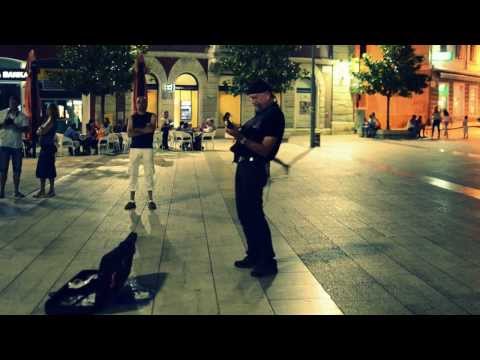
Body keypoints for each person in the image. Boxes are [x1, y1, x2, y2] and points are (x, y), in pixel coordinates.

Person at [226, 80, 285, 278]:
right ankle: (253, 254)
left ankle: (267, 260)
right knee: (244, 213)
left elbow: (265, 149)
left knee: (254, 214)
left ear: (267, 94)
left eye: (255, 97)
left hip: (255, 168)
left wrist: (240, 137)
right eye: (250, 98)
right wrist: (239, 131)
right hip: (244, 166)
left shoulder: (274, 116)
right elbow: (252, 136)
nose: (252, 101)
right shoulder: (260, 115)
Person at [125, 96, 157, 211]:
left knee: (149, 173)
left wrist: (137, 130)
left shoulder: (152, 116)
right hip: (134, 149)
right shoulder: (132, 117)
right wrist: (144, 130)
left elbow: (151, 130)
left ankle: (151, 200)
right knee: (133, 173)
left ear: (147, 103)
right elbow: (129, 134)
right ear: (136, 104)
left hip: (147, 149)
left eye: (144, 102)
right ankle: (131, 200)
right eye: (139, 102)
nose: (141, 104)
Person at [0, 95, 29, 199]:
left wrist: (15, 125)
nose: (11, 104)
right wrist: (4, 123)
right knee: (3, 170)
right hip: (4, 144)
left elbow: (26, 130)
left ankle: (16, 191)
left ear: (17, 103)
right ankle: (1, 191)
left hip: (17, 146)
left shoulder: (22, 116)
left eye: (14, 102)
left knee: (17, 169)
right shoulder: (2, 113)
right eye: (10, 102)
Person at [33, 103, 58, 198]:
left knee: (49, 168)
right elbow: (39, 131)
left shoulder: (52, 121)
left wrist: (40, 129)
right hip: (45, 147)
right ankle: (42, 190)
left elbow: (42, 131)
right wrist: (40, 129)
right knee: (42, 169)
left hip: (48, 148)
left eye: (48, 109)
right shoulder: (47, 120)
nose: (46, 110)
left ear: (52, 110)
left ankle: (51, 190)